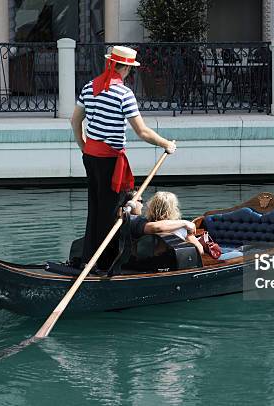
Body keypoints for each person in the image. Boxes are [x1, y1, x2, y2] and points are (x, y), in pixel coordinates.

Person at [71, 45, 176, 270]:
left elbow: (74, 121)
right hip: (110, 160)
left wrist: (84, 146)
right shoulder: (123, 94)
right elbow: (142, 131)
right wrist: (166, 143)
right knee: (113, 212)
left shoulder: (89, 87)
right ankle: (108, 263)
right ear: (126, 68)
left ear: (110, 63)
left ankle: (90, 258)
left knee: (97, 207)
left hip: (91, 157)